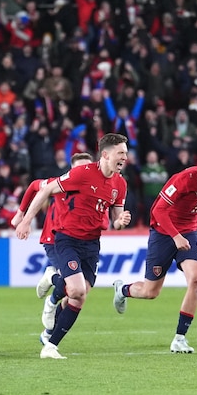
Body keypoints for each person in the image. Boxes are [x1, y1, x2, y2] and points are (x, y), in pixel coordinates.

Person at [15, 134, 133, 359]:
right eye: (121, 153)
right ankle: (53, 284)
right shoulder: (82, 173)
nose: (125, 158)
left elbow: (116, 220)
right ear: (105, 154)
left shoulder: (120, 183)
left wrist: (121, 221)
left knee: (79, 296)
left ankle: (50, 344)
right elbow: (45, 189)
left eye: (126, 153)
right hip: (67, 239)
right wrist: (26, 220)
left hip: (92, 244)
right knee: (77, 290)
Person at [112, 158, 197, 353]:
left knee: (196, 279)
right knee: (151, 292)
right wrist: (175, 237)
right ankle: (122, 290)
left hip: (188, 232)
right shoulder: (184, 179)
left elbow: (195, 205)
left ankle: (180, 338)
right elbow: (158, 210)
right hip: (163, 232)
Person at [11, 152, 93, 342]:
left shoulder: (94, 188)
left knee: (79, 292)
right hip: (55, 240)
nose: (84, 171)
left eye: (87, 168)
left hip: (82, 241)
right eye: (79, 168)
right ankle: (52, 288)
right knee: (71, 285)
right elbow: (34, 186)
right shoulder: (62, 184)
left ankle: (49, 333)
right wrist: (21, 214)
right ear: (71, 170)